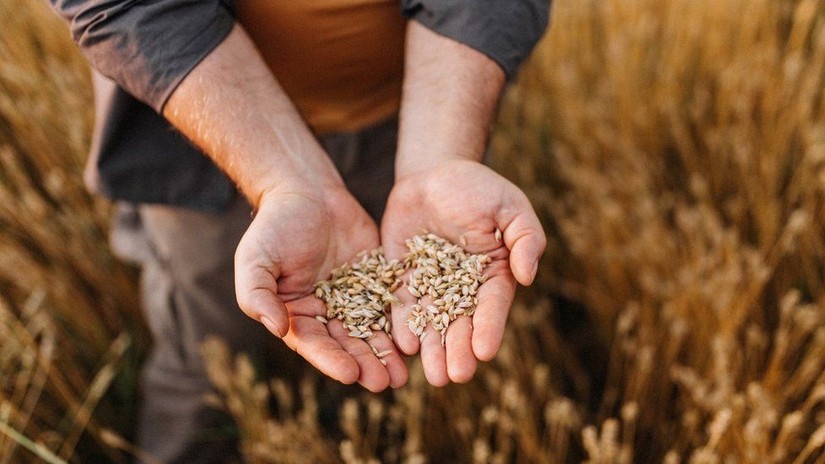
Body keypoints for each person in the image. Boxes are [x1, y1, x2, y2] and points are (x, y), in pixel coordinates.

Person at [50, 1, 549, 462]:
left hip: (419, 109)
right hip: (203, 122)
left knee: (390, 342)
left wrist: (442, 151)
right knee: (203, 355)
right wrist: (281, 177)